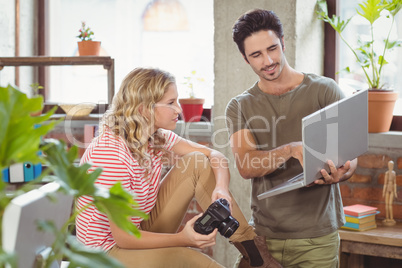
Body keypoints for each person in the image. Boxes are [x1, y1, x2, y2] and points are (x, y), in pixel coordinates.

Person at [75, 67, 282, 268]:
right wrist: (183, 239)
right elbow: (124, 238)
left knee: (197, 161)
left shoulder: (154, 136)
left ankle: (254, 255)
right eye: (171, 103)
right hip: (106, 254)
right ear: (144, 109)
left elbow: (215, 156)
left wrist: (221, 188)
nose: (179, 110)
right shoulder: (111, 155)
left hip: (138, 229)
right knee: (190, 260)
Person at [225, 9, 358, 268]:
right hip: (264, 238)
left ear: (283, 43)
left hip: (317, 239)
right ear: (245, 59)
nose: (268, 60)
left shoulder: (325, 90)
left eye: (272, 49)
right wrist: (291, 149)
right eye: (256, 55)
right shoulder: (240, 106)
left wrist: (341, 172)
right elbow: (246, 165)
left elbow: (350, 158)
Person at [383, 160, 397, 225]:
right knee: (386, 204)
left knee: (390, 205)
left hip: (391, 189)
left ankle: (391, 218)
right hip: (387, 188)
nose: (390, 166)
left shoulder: (394, 173)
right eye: (389, 165)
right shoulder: (387, 173)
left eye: (392, 165)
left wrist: (395, 192)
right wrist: (383, 191)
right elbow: (385, 183)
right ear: (388, 165)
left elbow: (395, 183)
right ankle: (387, 218)